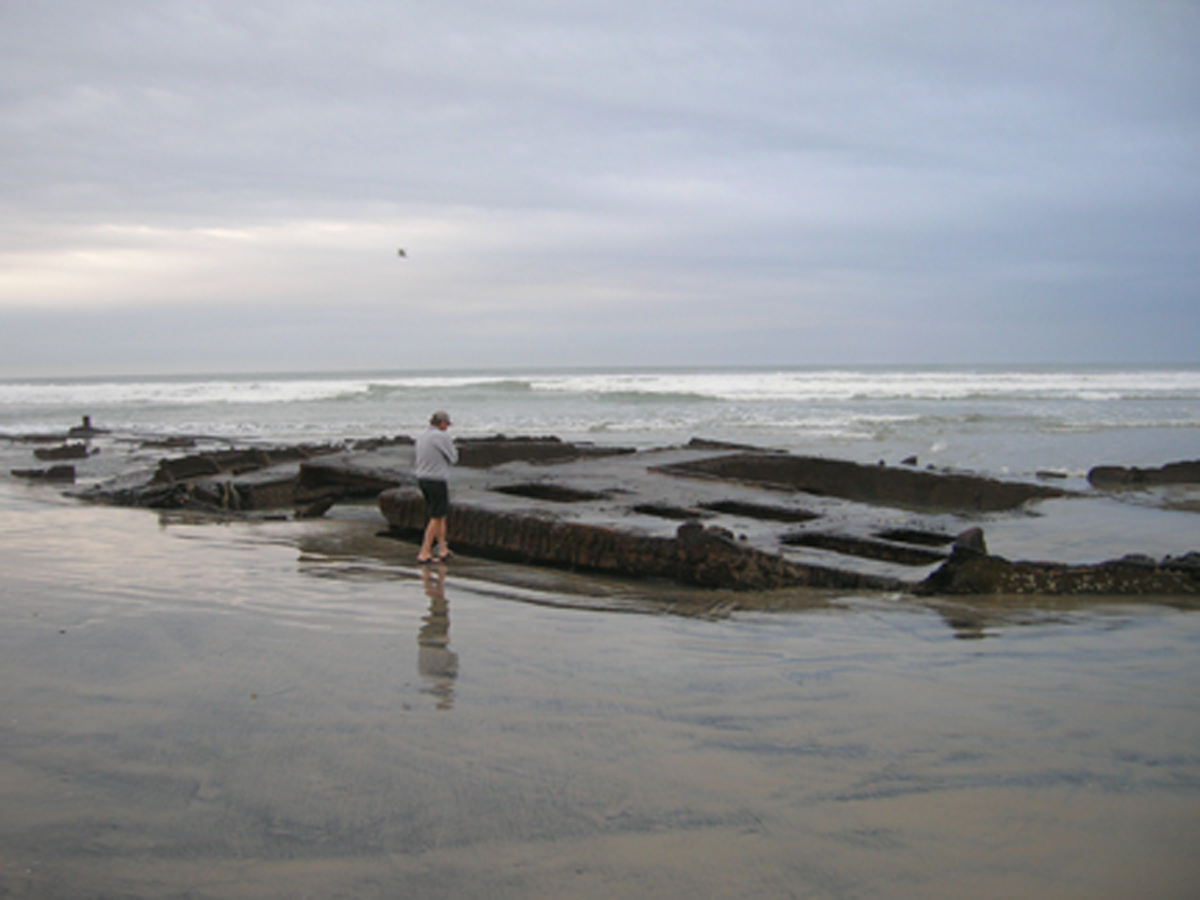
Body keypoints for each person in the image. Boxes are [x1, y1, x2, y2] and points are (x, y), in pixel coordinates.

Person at [414, 410, 458, 563]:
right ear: (442, 423)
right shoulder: (441, 436)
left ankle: (442, 548)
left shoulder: (422, 436)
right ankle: (424, 552)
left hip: (422, 477)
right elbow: (453, 458)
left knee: (441, 515)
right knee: (436, 516)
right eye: (447, 424)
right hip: (436, 479)